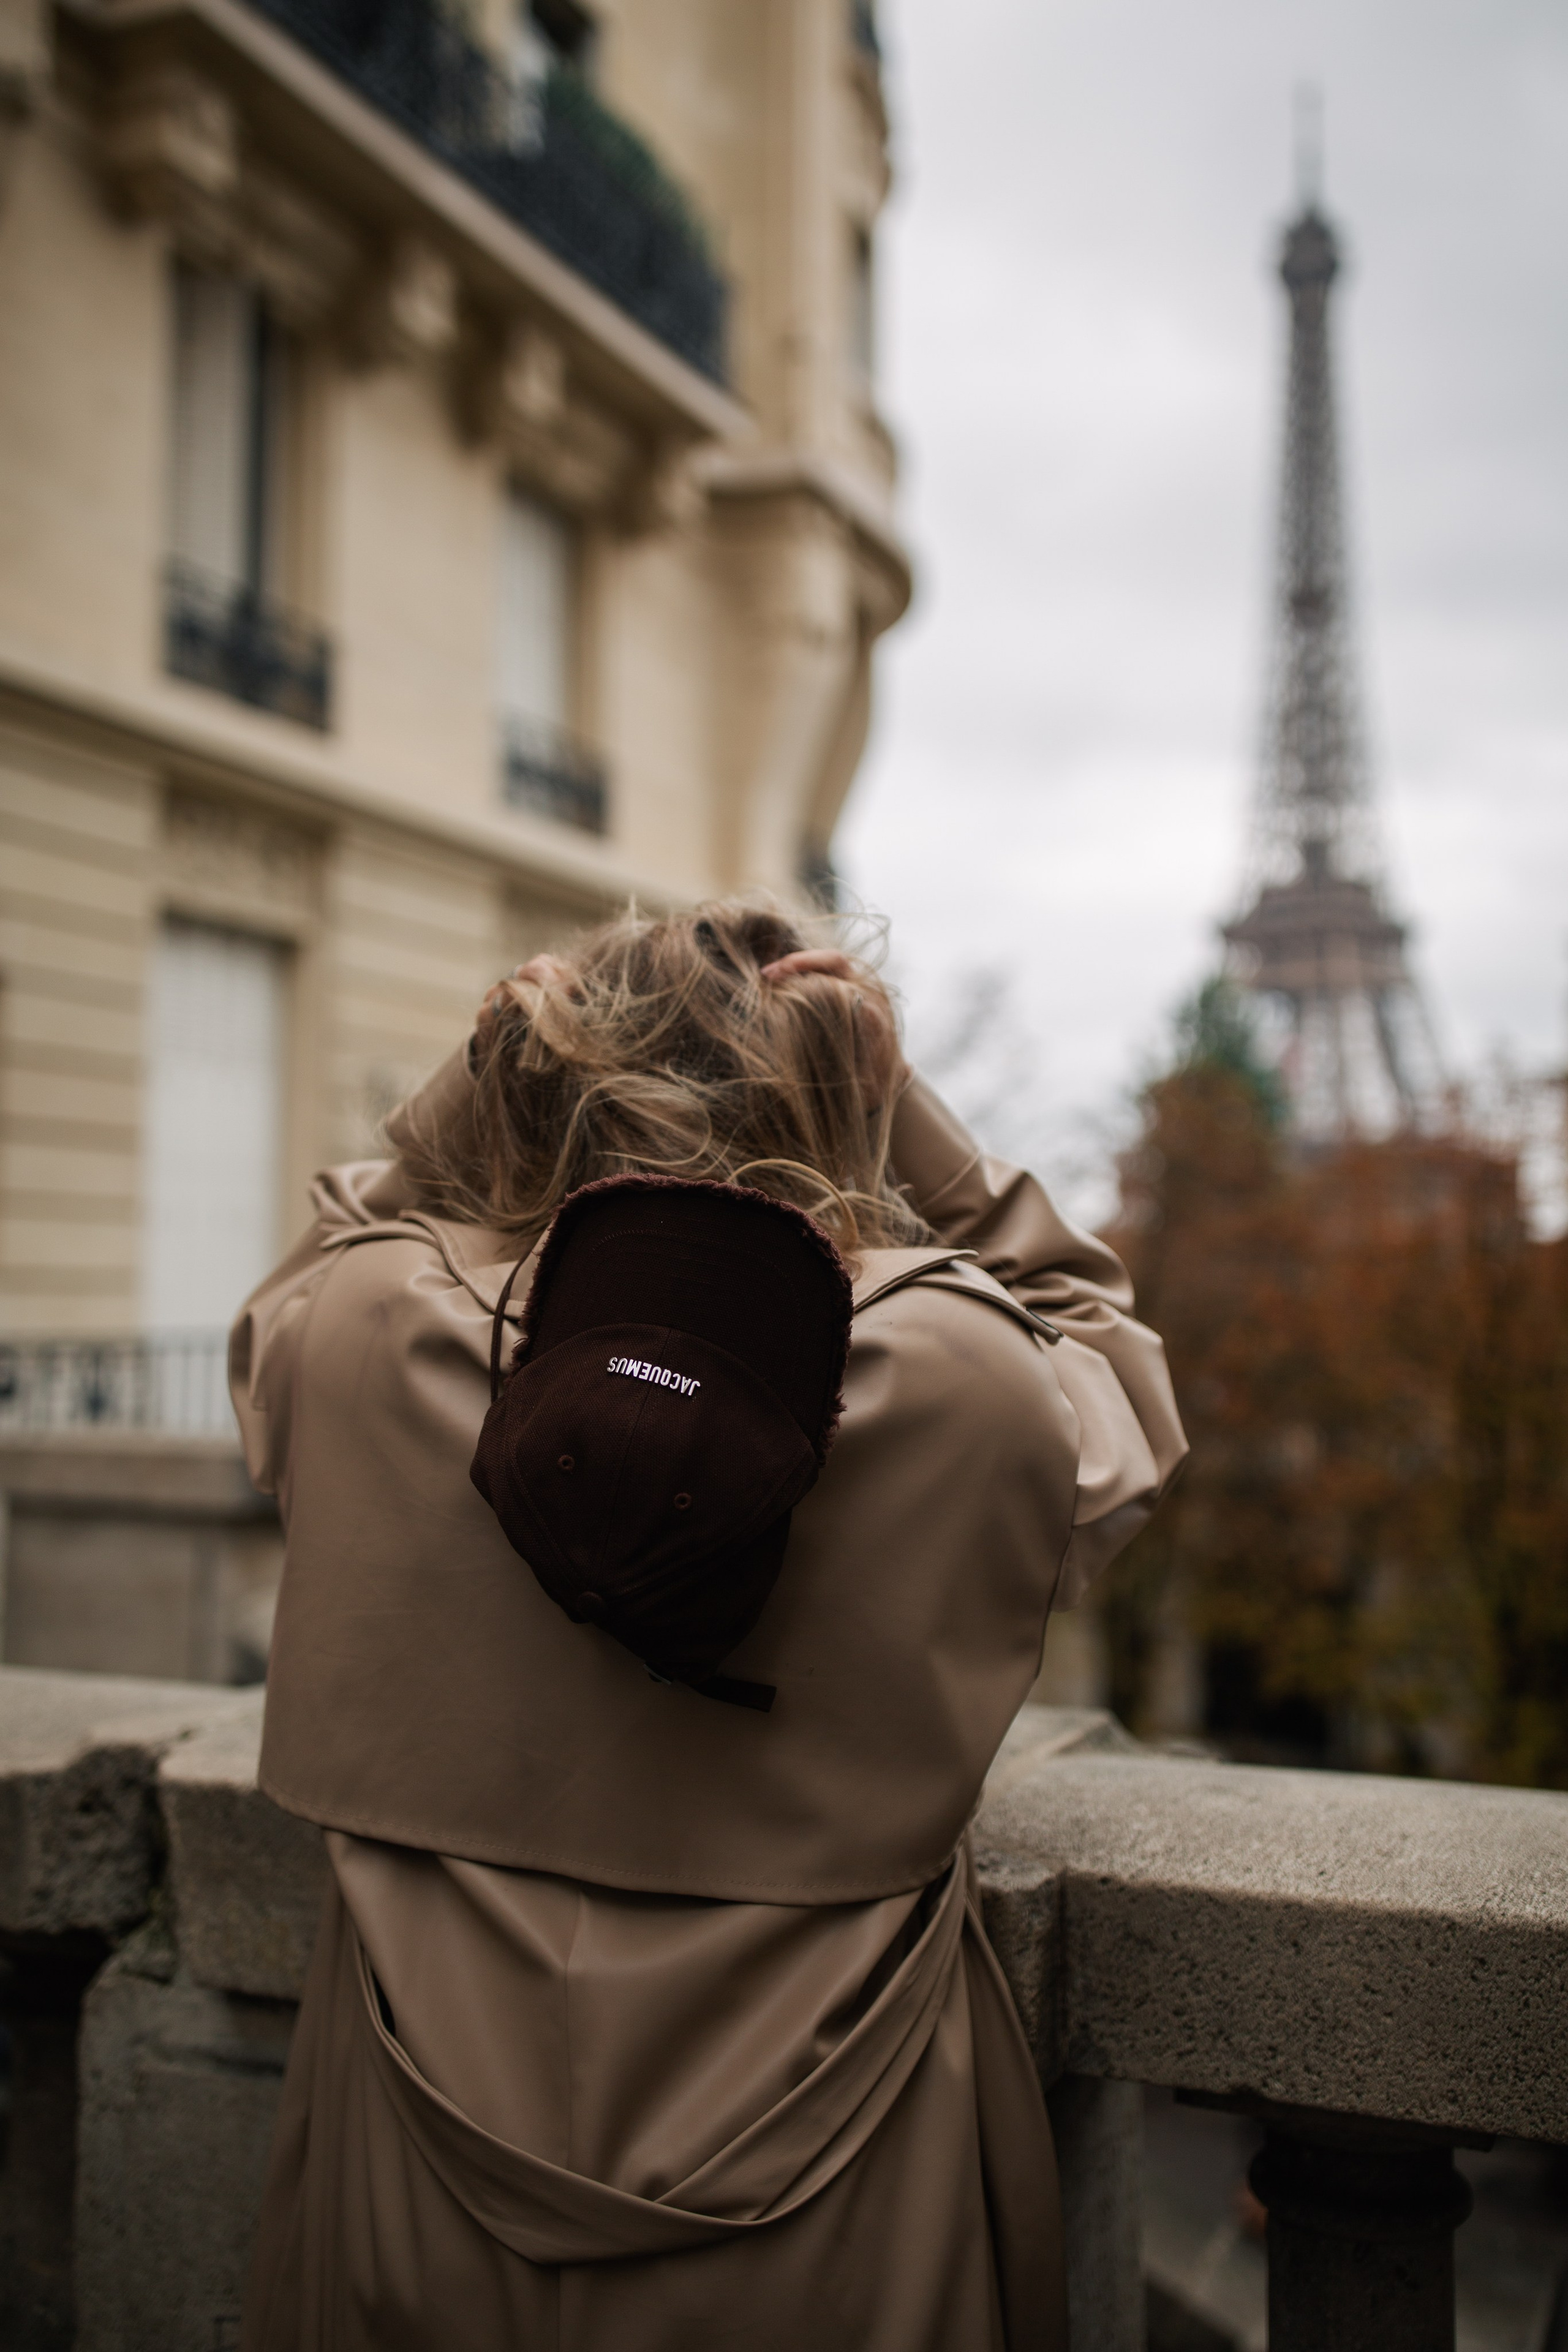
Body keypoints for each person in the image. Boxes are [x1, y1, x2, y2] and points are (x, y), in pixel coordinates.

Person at [232, 901, 1186, 2352]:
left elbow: (298, 1288)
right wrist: (906, 1118)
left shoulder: (373, 1325)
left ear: (539, 1085)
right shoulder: (960, 1373)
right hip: (840, 2216)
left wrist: (462, 1097)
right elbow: (1108, 1353)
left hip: (406, 2195)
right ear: (834, 1092)